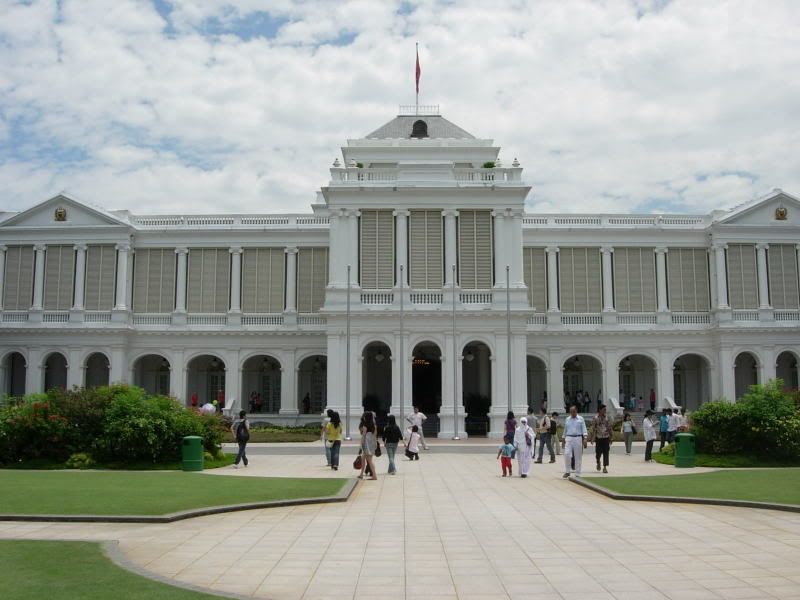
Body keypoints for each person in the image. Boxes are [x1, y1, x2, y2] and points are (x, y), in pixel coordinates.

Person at [562, 404, 588, 478]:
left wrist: (585, 438)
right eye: (570, 412)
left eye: (573, 411)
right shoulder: (567, 419)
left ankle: (577, 472)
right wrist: (563, 440)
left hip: (578, 438)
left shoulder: (581, 419)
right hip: (569, 438)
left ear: (576, 411)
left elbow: (584, 429)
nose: (572, 413)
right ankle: (567, 471)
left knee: (578, 456)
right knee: (567, 454)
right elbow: (565, 430)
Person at [589, 404, 613, 474]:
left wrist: (611, 437)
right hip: (598, 437)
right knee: (598, 453)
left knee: (606, 452)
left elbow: (609, 428)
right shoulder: (595, 418)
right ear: (600, 410)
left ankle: (605, 467)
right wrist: (592, 438)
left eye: (605, 410)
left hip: (606, 437)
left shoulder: (607, 418)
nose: (605, 411)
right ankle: (598, 461)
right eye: (604, 410)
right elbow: (593, 428)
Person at [358, 412, 378, 480]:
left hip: (366, 444)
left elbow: (363, 436)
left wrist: (360, 445)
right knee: (363, 459)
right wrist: (375, 444)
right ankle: (361, 474)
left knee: (369, 461)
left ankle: (374, 475)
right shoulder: (374, 426)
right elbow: (375, 436)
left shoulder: (365, 426)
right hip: (371, 443)